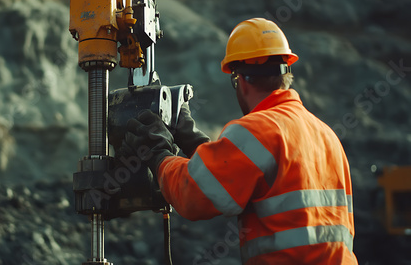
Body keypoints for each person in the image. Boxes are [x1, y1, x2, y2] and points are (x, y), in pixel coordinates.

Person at [122, 18, 358, 264]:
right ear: (285, 71)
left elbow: (194, 195)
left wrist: (158, 155)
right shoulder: (326, 135)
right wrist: (193, 141)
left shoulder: (255, 130)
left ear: (240, 80)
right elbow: (239, 173)